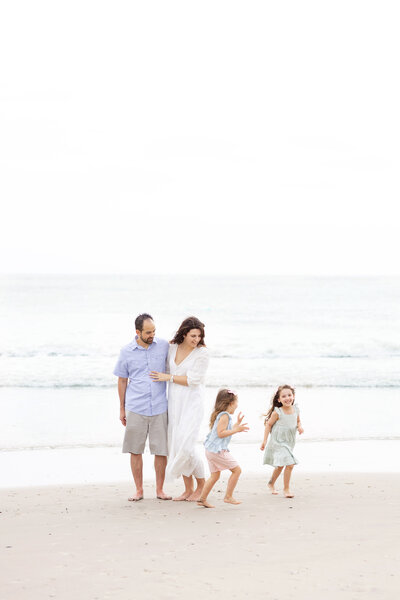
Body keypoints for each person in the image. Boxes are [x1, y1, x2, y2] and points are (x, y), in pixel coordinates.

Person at [150, 316, 209, 501]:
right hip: (175, 402)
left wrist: (168, 378)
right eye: (193, 335)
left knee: (187, 446)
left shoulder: (202, 353)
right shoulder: (172, 347)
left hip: (192, 403)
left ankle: (202, 485)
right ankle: (188, 489)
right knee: (176, 444)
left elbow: (194, 380)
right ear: (184, 333)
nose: (196, 340)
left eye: (199, 336)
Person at [113, 313, 171, 501]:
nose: (152, 335)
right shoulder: (126, 351)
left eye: (154, 331)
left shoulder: (163, 346)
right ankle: (139, 490)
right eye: (148, 332)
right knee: (135, 449)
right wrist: (121, 409)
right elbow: (122, 381)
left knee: (161, 450)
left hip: (160, 406)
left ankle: (160, 490)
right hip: (136, 407)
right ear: (137, 332)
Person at [197, 389, 249, 508]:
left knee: (215, 475)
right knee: (237, 470)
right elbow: (221, 433)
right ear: (230, 403)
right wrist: (236, 430)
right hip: (217, 451)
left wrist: (236, 425)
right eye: (236, 402)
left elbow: (225, 431)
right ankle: (228, 496)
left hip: (210, 450)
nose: (237, 405)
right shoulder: (224, 416)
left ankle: (202, 499)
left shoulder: (223, 416)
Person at [260, 385, 304, 498]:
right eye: (284, 396)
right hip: (277, 442)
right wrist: (264, 441)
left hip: (289, 442)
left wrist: (300, 427)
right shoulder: (277, 412)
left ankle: (271, 483)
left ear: (293, 396)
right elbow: (268, 425)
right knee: (290, 464)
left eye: (289, 395)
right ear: (279, 399)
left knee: (280, 466)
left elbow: (298, 421)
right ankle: (286, 489)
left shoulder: (296, 410)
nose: (287, 398)